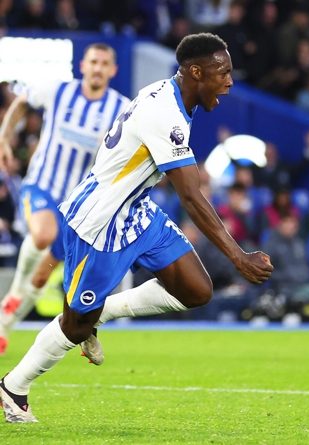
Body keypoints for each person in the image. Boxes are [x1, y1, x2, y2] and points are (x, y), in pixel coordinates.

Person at [0, 33, 273, 423]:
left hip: (137, 212)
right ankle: (14, 387)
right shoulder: (167, 114)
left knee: (196, 290)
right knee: (74, 326)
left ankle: (102, 313)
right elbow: (192, 197)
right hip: (101, 221)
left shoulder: (170, 92)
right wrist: (238, 256)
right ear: (195, 72)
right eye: (223, 73)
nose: (229, 81)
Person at [0, 43, 130, 355]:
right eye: (93, 61)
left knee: (42, 276)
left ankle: (6, 321)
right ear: (83, 65)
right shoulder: (58, 91)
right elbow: (21, 103)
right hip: (42, 186)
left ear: (112, 70)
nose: (97, 68)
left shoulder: (121, 108)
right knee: (43, 235)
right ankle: (11, 300)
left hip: (77, 208)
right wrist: (3, 138)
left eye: (104, 63)